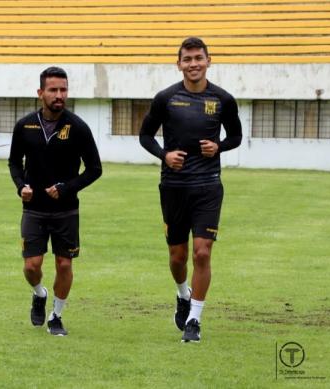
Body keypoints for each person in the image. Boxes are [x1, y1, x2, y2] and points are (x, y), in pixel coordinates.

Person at [139, 37, 242, 343]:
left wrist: (219, 147)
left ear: (209, 60)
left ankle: (194, 320)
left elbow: (235, 136)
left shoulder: (223, 99)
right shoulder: (165, 98)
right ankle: (183, 294)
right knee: (177, 256)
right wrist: (164, 155)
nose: (194, 63)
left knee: (202, 252)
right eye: (188, 59)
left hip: (208, 185)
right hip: (173, 186)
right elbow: (145, 136)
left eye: (199, 58)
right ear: (179, 64)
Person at [8, 66, 102, 336]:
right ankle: (39, 293)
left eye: (63, 90)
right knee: (31, 266)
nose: (59, 95)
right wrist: (20, 187)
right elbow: (14, 162)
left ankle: (56, 316)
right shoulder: (24, 125)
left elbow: (95, 169)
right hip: (34, 209)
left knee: (64, 264)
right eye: (53, 90)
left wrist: (67, 187)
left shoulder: (78, 127)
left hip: (66, 211)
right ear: (40, 93)